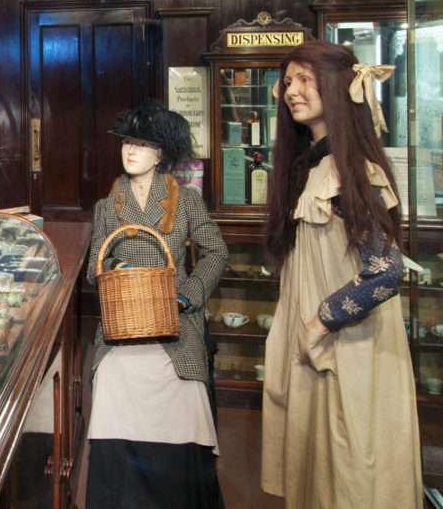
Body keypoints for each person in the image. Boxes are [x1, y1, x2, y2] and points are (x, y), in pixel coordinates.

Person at [261, 39, 421, 508]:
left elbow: (385, 271)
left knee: (350, 478)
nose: (292, 90)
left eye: (306, 80)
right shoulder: (312, 167)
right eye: (289, 82)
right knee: (321, 474)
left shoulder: (353, 172)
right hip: (323, 353)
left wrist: (319, 321)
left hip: (349, 353)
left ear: (337, 87)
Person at [85, 100, 228, 509]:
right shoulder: (106, 208)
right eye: (126, 142)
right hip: (123, 324)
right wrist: (121, 267)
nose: (130, 151)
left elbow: (216, 252)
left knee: (187, 388)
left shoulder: (186, 201)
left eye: (142, 144)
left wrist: (189, 294)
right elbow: (96, 267)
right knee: (111, 377)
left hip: (176, 322)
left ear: (160, 154)